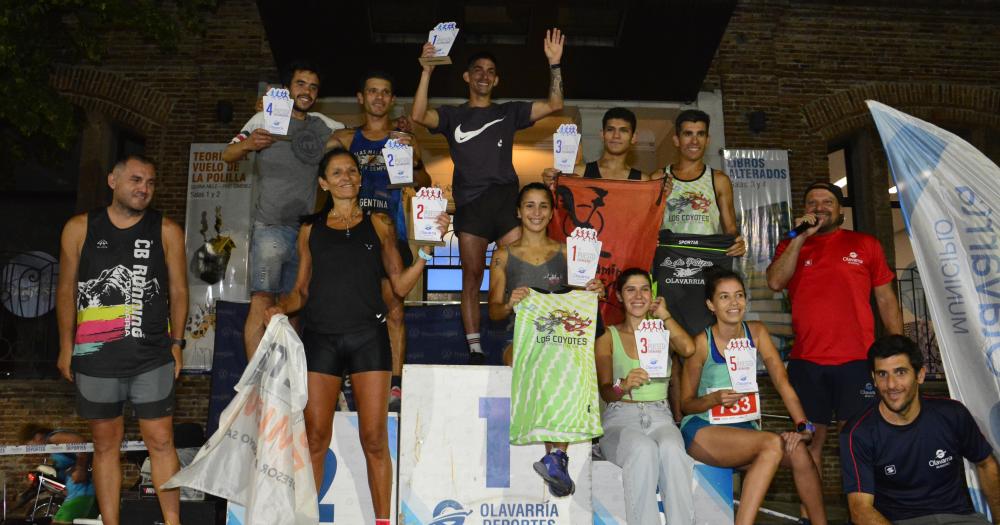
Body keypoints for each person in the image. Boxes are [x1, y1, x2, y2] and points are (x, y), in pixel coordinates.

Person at [264, 148, 447, 525]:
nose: (346, 176)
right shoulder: (309, 229)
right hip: (321, 340)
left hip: (367, 339)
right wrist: (279, 306)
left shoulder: (379, 224)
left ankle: (383, 521)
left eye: (351, 171)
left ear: (360, 179)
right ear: (323, 182)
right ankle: (305, 519)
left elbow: (398, 286)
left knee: (375, 438)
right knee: (315, 438)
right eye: (337, 172)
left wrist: (426, 252)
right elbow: (301, 291)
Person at [411, 29, 566, 364]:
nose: (484, 75)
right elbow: (418, 116)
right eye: (477, 70)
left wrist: (554, 64)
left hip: (505, 200)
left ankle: (527, 336)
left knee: (519, 269)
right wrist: (426, 70)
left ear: (497, 81)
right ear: (467, 77)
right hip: (470, 206)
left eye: (490, 72)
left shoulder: (508, 112)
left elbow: (556, 104)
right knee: (471, 277)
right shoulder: (453, 116)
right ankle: (475, 348)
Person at [55, 155, 187, 525]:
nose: (143, 188)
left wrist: (177, 344)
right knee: (105, 446)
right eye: (135, 179)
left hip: (152, 355)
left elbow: (178, 291)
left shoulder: (167, 231)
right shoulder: (79, 228)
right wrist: (66, 346)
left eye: (150, 182)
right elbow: (65, 289)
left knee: (161, 442)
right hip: (96, 356)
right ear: (113, 181)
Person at [766, 180, 904, 521]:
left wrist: (899, 348)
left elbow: (886, 298)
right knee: (810, 444)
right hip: (807, 362)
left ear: (840, 209)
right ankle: (810, 517)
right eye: (812, 202)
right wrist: (799, 238)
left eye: (827, 201)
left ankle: (866, 514)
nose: (819, 207)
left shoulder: (865, 244)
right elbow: (774, 282)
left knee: (858, 441)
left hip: (857, 361)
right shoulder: (792, 245)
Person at [680, 267, 827, 525]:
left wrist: (804, 426)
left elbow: (783, 384)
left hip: (745, 431)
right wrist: (714, 400)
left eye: (738, 295)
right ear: (710, 304)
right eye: (724, 297)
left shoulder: (757, 332)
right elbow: (686, 404)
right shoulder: (701, 343)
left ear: (746, 300)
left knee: (800, 452)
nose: (733, 303)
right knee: (770, 443)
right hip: (704, 430)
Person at [221, 59, 344, 359]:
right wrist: (249, 144)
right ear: (287, 88)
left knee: (294, 305)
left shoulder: (321, 125)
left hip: (304, 231)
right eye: (301, 84)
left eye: (313, 87)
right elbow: (228, 154)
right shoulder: (263, 118)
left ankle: (284, 374)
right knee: (262, 300)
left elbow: (352, 134)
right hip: (270, 227)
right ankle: (254, 378)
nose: (307, 91)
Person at [326, 70, 431, 410]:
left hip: (391, 234)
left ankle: (396, 385)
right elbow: (315, 158)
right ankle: (342, 378)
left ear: (391, 99)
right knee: (345, 311)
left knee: (395, 312)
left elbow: (424, 180)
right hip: (349, 237)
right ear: (361, 97)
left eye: (385, 92)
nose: (379, 98)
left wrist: (412, 159)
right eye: (372, 91)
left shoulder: (404, 138)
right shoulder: (344, 139)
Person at [841, 335, 1000, 525]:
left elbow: (986, 464)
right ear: (874, 379)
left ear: (920, 375)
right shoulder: (858, 432)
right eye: (882, 374)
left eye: (900, 372)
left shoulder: (952, 414)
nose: (891, 385)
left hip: (957, 518)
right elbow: (860, 509)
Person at [594, 268, 696, 525]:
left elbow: (688, 348)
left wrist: (665, 316)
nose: (638, 296)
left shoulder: (663, 331)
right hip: (620, 418)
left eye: (644, 289)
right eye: (630, 289)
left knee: (673, 451)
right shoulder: (608, 335)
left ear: (652, 295)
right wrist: (623, 385)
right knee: (643, 450)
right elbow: (605, 390)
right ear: (618, 295)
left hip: (660, 415)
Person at [487, 182, 604, 366]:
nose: (536, 213)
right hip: (518, 336)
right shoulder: (502, 255)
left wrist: (593, 290)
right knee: (522, 362)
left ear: (551, 214)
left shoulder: (568, 252)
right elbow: (494, 312)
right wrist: (509, 305)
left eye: (543, 206)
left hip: (561, 338)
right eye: (529, 205)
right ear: (518, 212)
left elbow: (581, 300)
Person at [653, 109, 745, 257]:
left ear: (707, 140)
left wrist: (738, 244)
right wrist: (658, 199)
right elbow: (646, 228)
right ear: (676, 140)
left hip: (707, 262)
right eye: (688, 134)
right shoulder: (659, 177)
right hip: (669, 262)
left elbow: (731, 230)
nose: (694, 141)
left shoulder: (719, 180)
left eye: (700, 134)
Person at [541, 107, 649, 185]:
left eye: (623, 131)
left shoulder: (642, 181)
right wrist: (550, 185)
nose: (616, 136)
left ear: (634, 137)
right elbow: (559, 209)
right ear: (602, 135)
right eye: (610, 130)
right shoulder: (578, 173)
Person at [19, 425, 98, 524]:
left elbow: (80, 442)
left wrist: (80, 468)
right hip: (78, 492)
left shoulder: (54, 437)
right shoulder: (54, 448)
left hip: (83, 492)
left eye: (30, 446)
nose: (32, 451)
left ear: (37, 437)